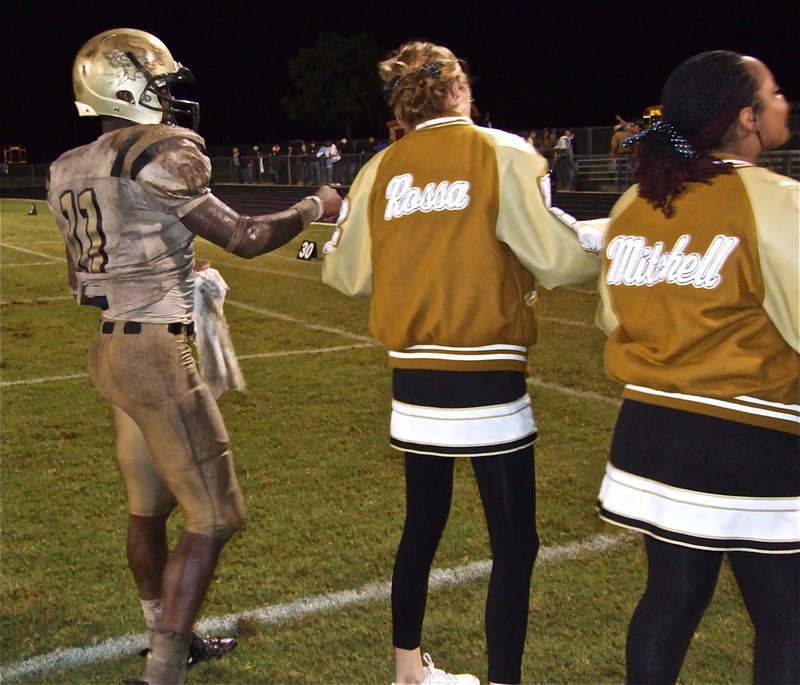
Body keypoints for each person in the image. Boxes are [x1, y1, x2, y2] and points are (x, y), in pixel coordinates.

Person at [46, 28, 341, 685]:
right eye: (160, 85)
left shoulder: (69, 167)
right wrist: (315, 205)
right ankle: (163, 671)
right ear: (125, 90)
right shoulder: (162, 154)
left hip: (110, 348)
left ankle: (163, 633)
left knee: (146, 507)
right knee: (218, 512)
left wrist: (169, 270)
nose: (171, 99)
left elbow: (86, 283)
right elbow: (246, 234)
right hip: (154, 353)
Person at [322, 40, 600, 685]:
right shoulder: (502, 152)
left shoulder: (379, 169)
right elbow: (558, 259)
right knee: (514, 544)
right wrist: (605, 244)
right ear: (459, 88)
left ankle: (406, 673)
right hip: (488, 374)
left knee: (423, 525)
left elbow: (347, 274)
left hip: (412, 376)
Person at [594, 51, 799, 684]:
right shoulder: (772, 198)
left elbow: (611, 316)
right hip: (749, 436)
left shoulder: (636, 201)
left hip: (648, 434)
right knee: (787, 616)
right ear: (747, 117)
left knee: (671, 598)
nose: (783, 101)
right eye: (774, 92)